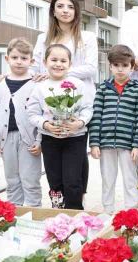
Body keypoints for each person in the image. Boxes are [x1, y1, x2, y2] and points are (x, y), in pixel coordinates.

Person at [27, 44, 92, 209]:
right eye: (53, 60)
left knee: (72, 180)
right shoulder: (40, 87)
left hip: (75, 138)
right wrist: (46, 125)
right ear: (45, 62)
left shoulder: (78, 84)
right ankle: (58, 212)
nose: (58, 64)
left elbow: (88, 109)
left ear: (70, 64)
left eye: (63, 60)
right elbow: (32, 114)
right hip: (50, 138)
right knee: (54, 178)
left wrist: (80, 122)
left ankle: (75, 213)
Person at [0, 38, 41, 206]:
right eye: (15, 57)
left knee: (30, 180)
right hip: (5, 139)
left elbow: (43, 114)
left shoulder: (37, 84)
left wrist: (40, 140)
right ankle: (14, 215)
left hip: (29, 140)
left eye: (24, 58)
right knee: (12, 180)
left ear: (31, 61)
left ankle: (33, 217)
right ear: (7, 58)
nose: (19, 62)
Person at [89, 45, 138, 213]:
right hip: (105, 143)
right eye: (116, 65)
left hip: (128, 144)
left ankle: (131, 212)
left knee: (130, 179)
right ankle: (107, 212)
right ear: (110, 66)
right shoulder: (103, 89)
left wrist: (136, 144)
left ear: (132, 66)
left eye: (125, 65)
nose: (120, 69)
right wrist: (94, 143)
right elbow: (96, 116)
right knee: (108, 179)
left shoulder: (137, 89)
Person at [32, 0, 99, 101]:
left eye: (71, 7)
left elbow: (91, 69)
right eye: (60, 6)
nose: (65, 10)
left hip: (80, 98)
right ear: (53, 11)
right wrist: (9, 76)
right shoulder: (43, 38)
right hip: (49, 97)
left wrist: (58, 73)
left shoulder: (88, 37)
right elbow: (33, 67)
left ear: (76, 12)